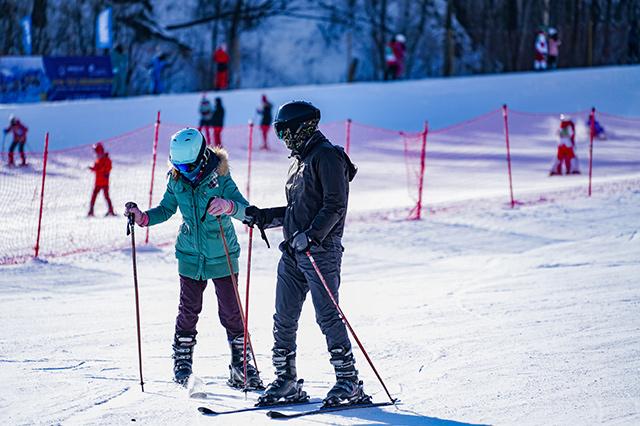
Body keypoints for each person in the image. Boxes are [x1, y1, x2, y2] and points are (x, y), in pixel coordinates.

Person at [243, 101, 365, 407]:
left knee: (327, 315)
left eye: (287, 132)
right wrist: (265, 216)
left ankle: (348, 381)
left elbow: (335, 205)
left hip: (320, 252)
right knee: (283, 318)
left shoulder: (327, 156)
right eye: (280, 133)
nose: (284, 139)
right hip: (294, 252)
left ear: (304, 127)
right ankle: (286, 380)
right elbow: (298, 211)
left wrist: (311, 237)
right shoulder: (299, 162)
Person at [124, 128, 263, 389]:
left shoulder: (220, 177)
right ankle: (183, 363)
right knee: (188, 311)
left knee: (232, 313)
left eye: (188, 165)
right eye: (178, 165)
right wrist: (143, 218)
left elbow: (246, 210)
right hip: (190, 255)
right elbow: (166, 209)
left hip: (222, 251)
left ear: (201, 157)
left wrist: (228, 206)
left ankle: (241, 367)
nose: (184, 170)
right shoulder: (176, 179)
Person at [88, 143, 116, 217]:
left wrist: (97, 169)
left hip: (104, 183)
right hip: (98, 182)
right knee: (94, 197)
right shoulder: (98, 159)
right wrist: (93, 168)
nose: (96, 153)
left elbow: (107, 169)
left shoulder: (107, 160)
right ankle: (91, 211)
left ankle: (111, 211)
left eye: (97, 151)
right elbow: (97, 168)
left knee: (106, 196)